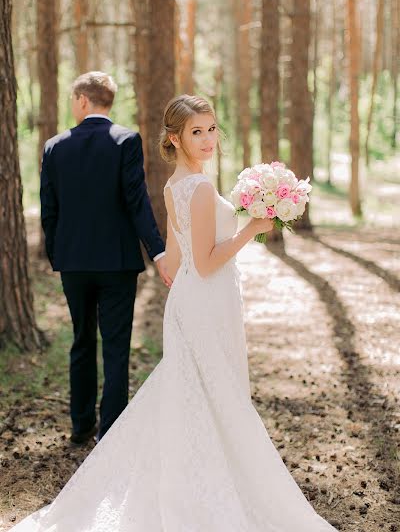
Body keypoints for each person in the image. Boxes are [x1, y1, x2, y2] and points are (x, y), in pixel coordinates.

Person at [11, 95, 337, 531]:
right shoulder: (198, 188)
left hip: (194, 297)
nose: (206, 139)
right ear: (175, 138)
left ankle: (203, 477)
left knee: (200, 394)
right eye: (195, 132)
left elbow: (178, 253)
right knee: (215, 394)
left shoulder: (175, 185)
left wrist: (174, 273)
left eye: (211, 129)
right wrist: (253, 230)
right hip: (205, 296)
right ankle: (206, 492)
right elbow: (205, 261)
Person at [39, 71, 171, 444]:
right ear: (106, 101)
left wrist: (57, 254)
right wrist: (156, 249)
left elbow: (49, 208)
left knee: (81, 340)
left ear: (82, 100)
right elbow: (137, 201)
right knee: (116, 346)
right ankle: (110, 434)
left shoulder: (54, 146)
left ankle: (81, 426)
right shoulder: (126, 140)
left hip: (74, 263)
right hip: (117, 262)